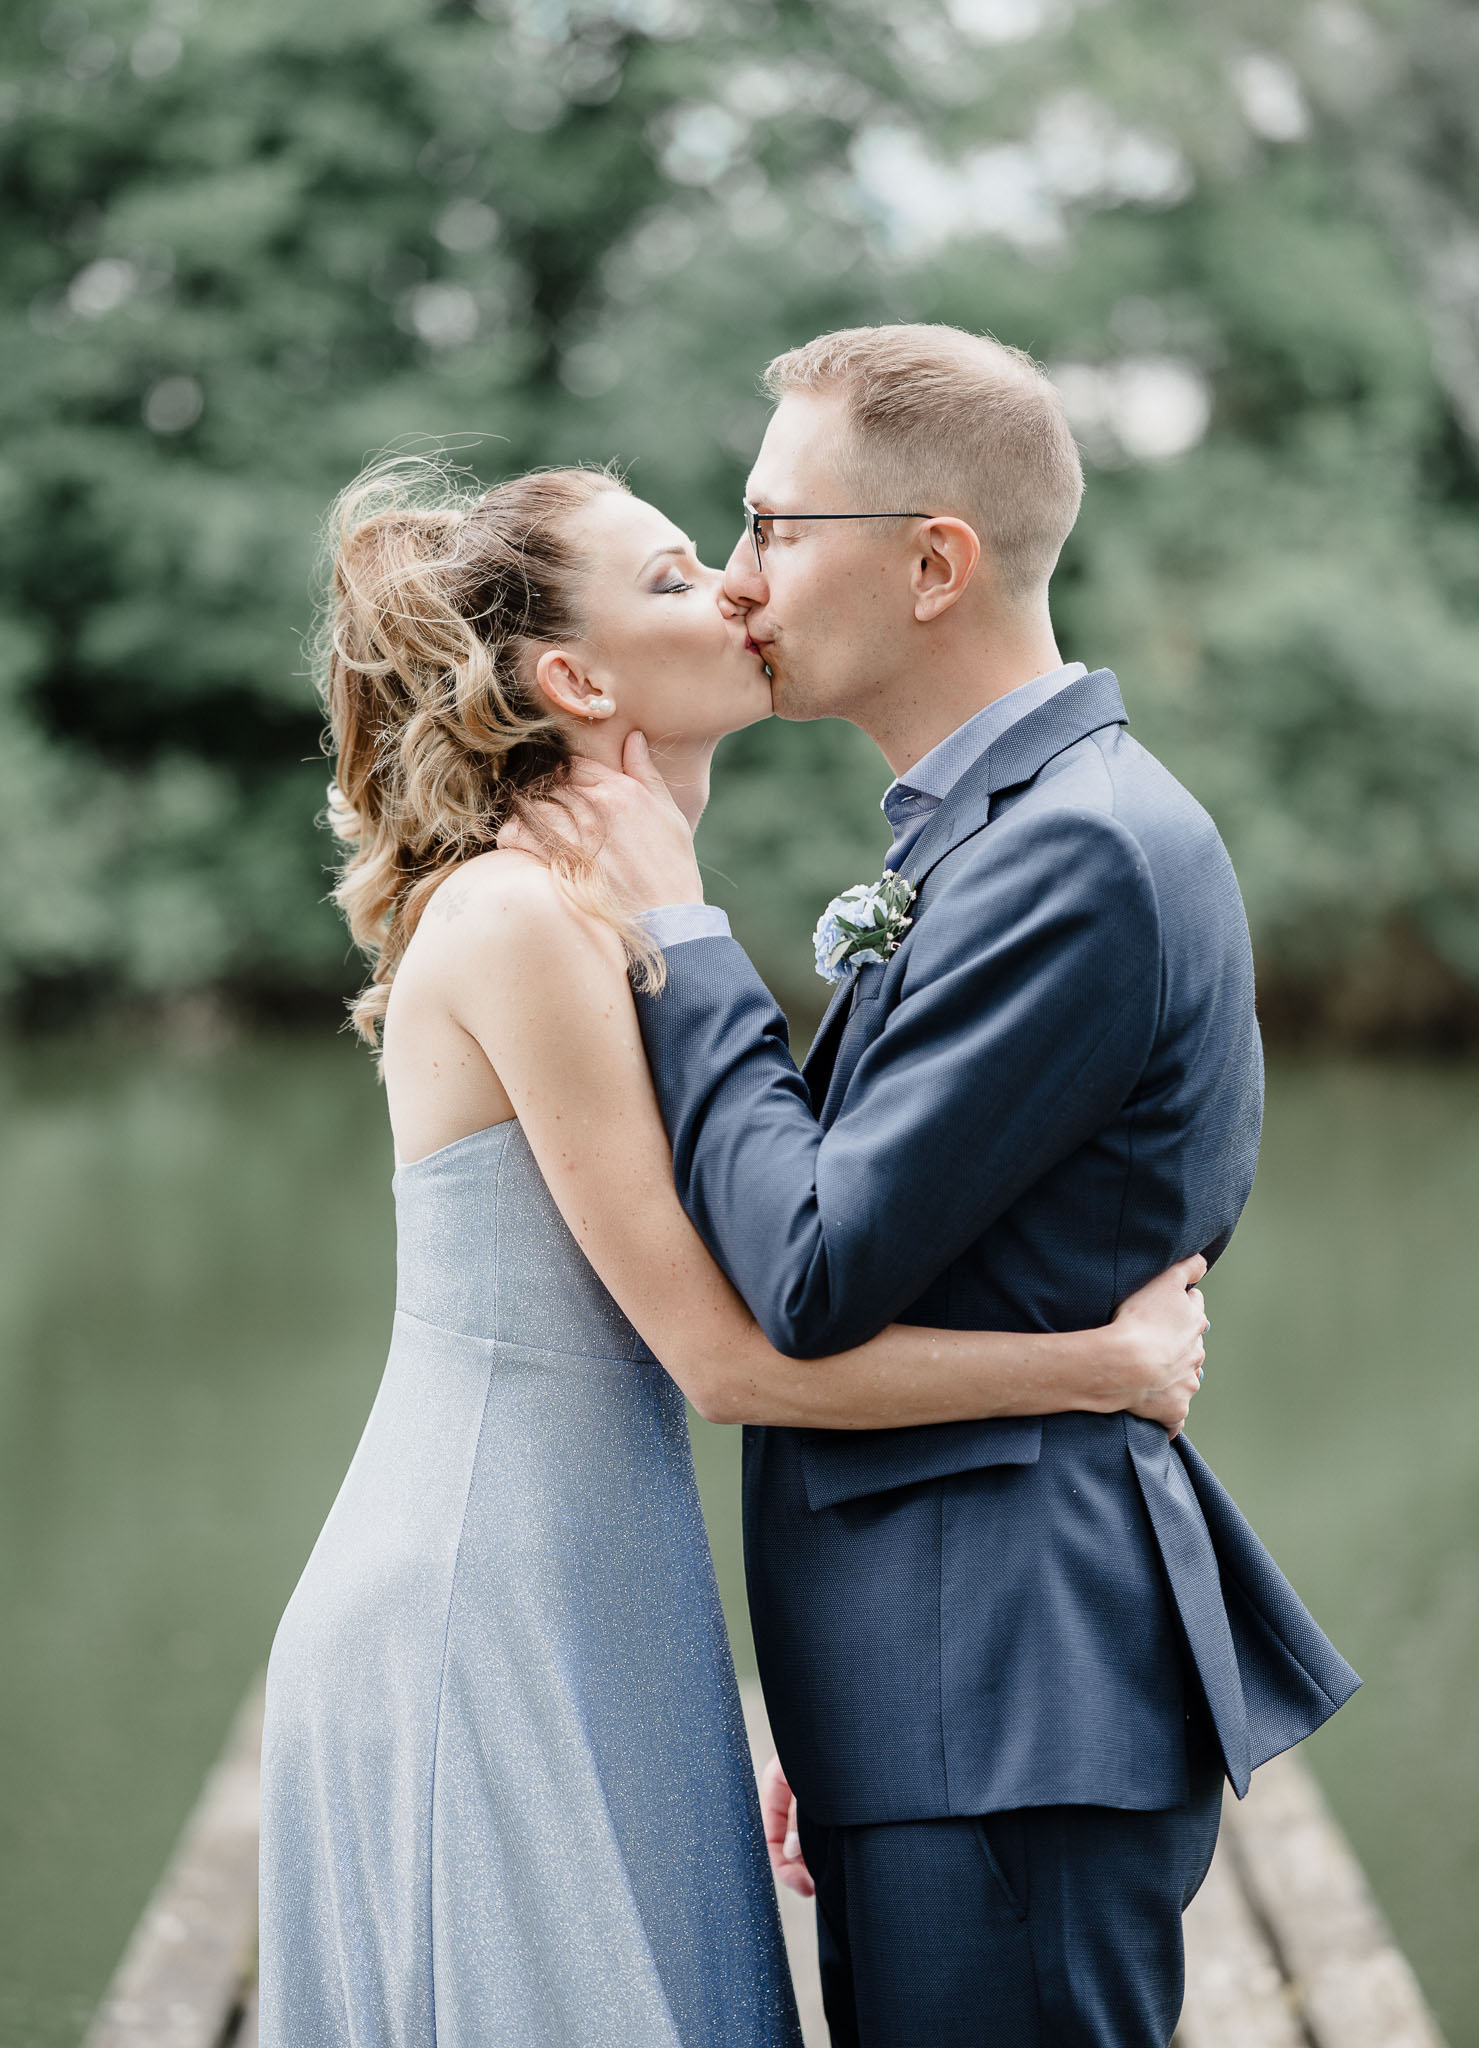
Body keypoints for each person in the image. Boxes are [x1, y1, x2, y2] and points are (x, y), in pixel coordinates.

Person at [255, 458, 1212, 2048]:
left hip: (607, 1580)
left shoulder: (618, 917)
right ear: (573, 678)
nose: (738, 591)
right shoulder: (523, 921)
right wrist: (1101, 1366)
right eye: (679, 572)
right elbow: (725, 1361)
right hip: (483, 1594)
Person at [511, 326, 1362, 2048]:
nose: (741, 582)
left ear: (933, 562)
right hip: (937, 1685)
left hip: (1009, 1688)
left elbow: (815, 1261)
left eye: (772, 527)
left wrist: (683, 929)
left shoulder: (1078, 847)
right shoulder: (988, 832)